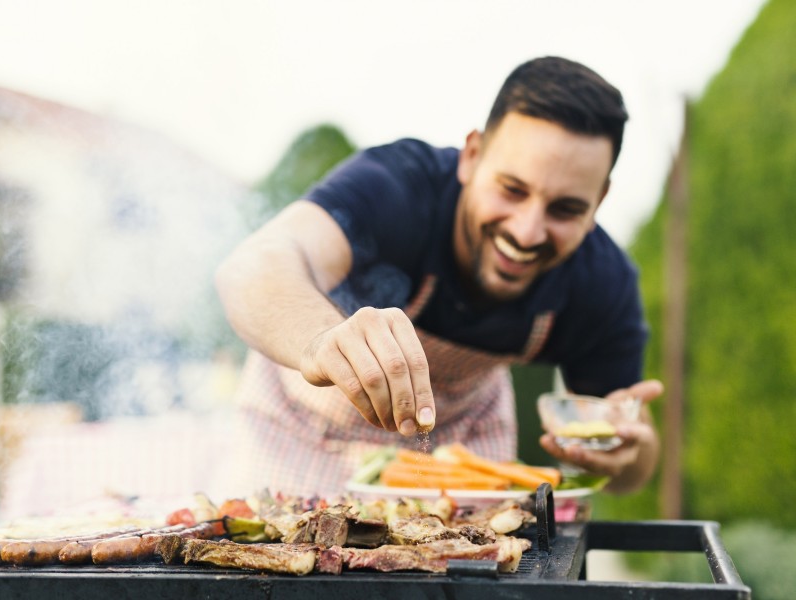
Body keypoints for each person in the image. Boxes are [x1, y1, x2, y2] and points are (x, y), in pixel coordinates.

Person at [216, 56, 663, 498]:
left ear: (599, 200)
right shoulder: (399, 187)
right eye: (512, 189)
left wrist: (625, 454)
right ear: (471, 156)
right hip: (300, 435)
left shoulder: (602, 281)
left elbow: (633, 471)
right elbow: (253, 267)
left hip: (460, 452)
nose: (527, 232)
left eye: (565, 209)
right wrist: (320, 342)